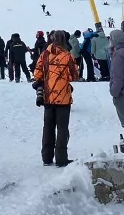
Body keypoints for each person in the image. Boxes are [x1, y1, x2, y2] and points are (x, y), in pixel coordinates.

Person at [33, 30, 78, 167]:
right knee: (62, 129)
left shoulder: (45, 54)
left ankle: (46, 158)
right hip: (63, 97)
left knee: (48, 127)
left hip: (48, 96)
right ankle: (61, 159)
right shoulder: (67, 56)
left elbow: (37, 74)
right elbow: (74, 75)